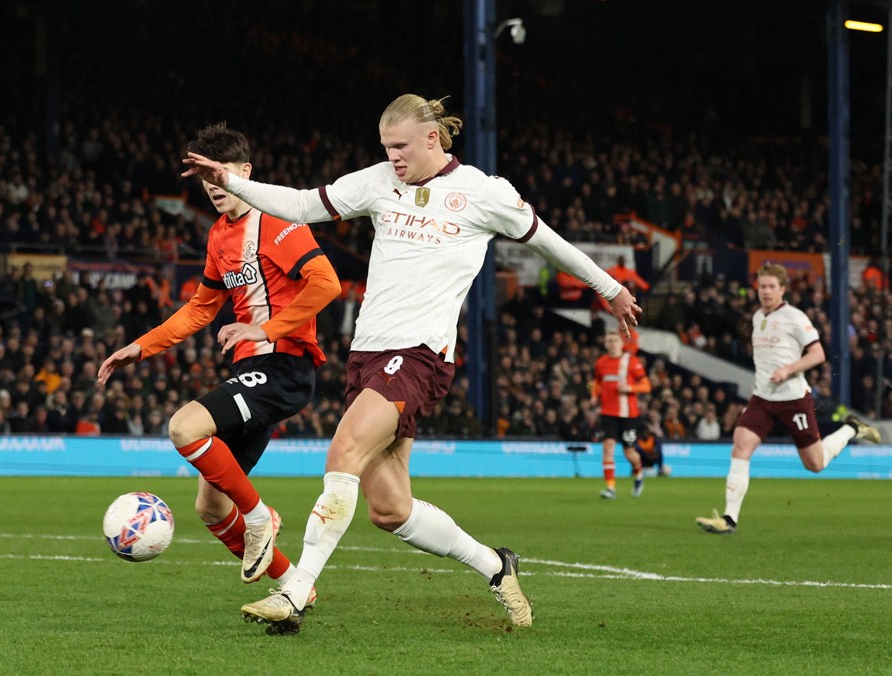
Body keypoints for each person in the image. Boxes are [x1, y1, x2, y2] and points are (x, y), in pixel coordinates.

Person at [183, 94, 641, 634]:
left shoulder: (483, 192)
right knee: (389, 508)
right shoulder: (380, 181)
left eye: (400, 146)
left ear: (432, 138)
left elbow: (549, 242)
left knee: (343, 453)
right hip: (367, 354)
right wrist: (231, 182)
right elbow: (303, 205)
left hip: (419, 354)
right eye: (386, 147)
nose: (392, 156)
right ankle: (496, 566)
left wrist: (609, 288)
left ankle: (295, 592)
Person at [99, 123, 341, 593]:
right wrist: (140, 347)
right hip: (252, 370)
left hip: (284, 367)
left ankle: (259, 519)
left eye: (219, 173)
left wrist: (265, 329)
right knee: (210, 507)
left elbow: (326, 283)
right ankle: (294, 588)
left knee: (183, 427)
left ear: (245, 171)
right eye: (204, 178)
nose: (212, 186)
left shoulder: (278, 221)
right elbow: (200, 309)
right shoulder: (218, 236)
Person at [696, 263, 881, 535]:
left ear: (782, 289)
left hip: (793, 399)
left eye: (771, 286)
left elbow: (818, 354)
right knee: (741, 447)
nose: (766, 291)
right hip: (762, 398)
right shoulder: (758, 317)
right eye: (762, 286)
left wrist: (788, 369)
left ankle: (851, 428)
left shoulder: (794, 317)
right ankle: (729, 519)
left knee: (815, 464)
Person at [591, 329, 652, 499]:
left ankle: (639, 473)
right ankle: (610, 488)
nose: (612, 344)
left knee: (630, 453)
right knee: (608, 447)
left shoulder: (631, 362)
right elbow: (597, 382)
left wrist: (629, 388)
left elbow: (646, 386)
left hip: (628, 415)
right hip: (608, 413)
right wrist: (594, 395)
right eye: (609, 341)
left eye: (615, 340)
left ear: (621, 343)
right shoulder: (601, 362)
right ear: (605, 344)